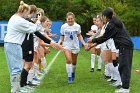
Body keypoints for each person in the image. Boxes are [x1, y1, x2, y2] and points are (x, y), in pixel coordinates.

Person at [4, 1, 62, 93]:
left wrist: (44, 30)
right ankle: (15, 90)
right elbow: (34, 28)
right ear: (24, 11)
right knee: (16, 69)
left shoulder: (14, 18)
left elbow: (34, 28)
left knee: (14, 69)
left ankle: (16, 89)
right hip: (13, 45)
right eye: (27, 13)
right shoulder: (19, 20)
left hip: (11, 44)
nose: (28, 15)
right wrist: (41, 24)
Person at [86, 8, 133, 93]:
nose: (101, 18)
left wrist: (92, 40)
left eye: (102, 16)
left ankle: (125, 88)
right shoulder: (113, 22)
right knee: (123, 66)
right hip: (124, 46)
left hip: (124, 46)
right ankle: (124, 87)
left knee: (124, 66)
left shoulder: (111, 24)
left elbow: (104, 38)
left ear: (105, 16)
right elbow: (104, 36)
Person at [58, 12, 86, 84]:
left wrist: (84, 43)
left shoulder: (77, 26)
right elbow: (62, 36)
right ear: (66, 19)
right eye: (68, 19)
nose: (70, 20)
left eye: (71, 19)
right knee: (69, 60)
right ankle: (69, 77)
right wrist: (58, 43)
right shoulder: (63, 26)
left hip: (75, 46)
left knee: (74, 62)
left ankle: (73, 72)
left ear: (74, 19)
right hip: (66, 45)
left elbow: (79, 35)